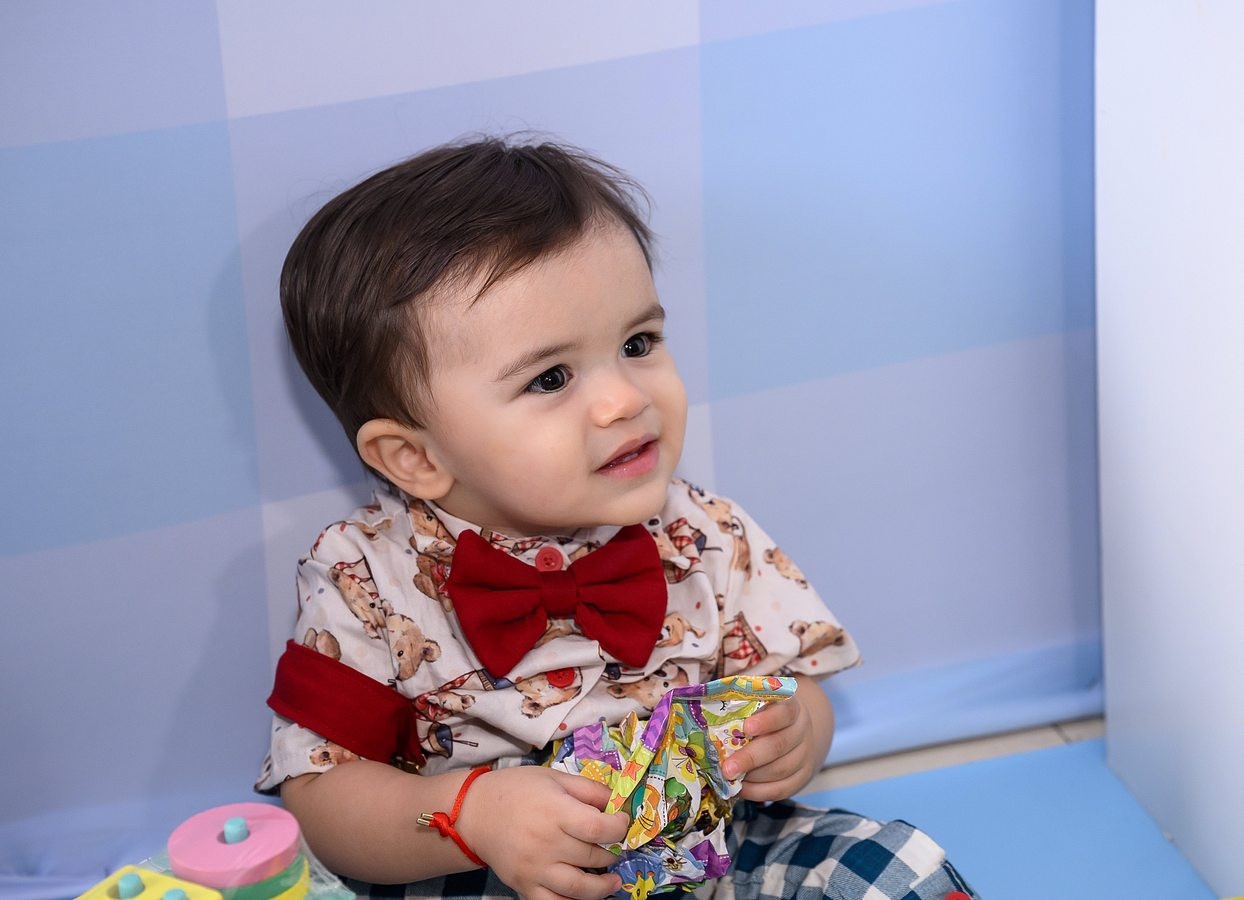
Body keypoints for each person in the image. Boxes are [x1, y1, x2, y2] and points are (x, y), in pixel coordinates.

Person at [257, 137, 977, 900]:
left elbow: (792, 688)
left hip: (708, 851)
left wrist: (795, 732)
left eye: (638, 343)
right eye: (551, 379)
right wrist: (471, 817)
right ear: (414, 457)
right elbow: (322, 798)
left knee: (891, 866)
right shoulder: (365, 576)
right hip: (490, 875)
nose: (626, 399)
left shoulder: (702, 531)